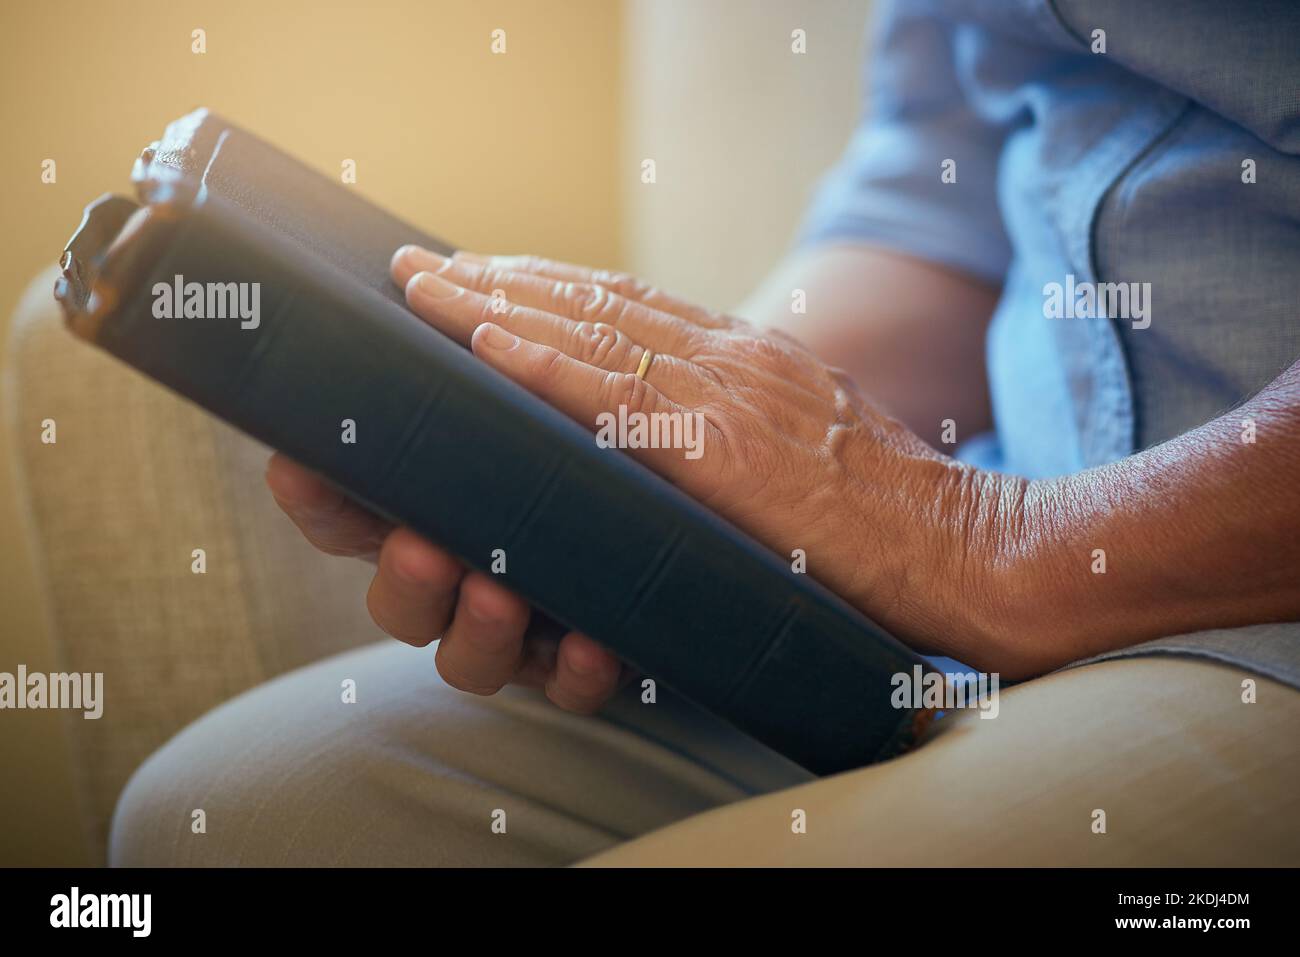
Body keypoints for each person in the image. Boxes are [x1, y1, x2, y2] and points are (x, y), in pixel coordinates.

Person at [111, 0, 1300, 866]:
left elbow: (970, 540)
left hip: (1249, 615)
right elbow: (937, 217)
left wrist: (983, 545)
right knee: (239, 814)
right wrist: (679, 462)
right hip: (979, 569)